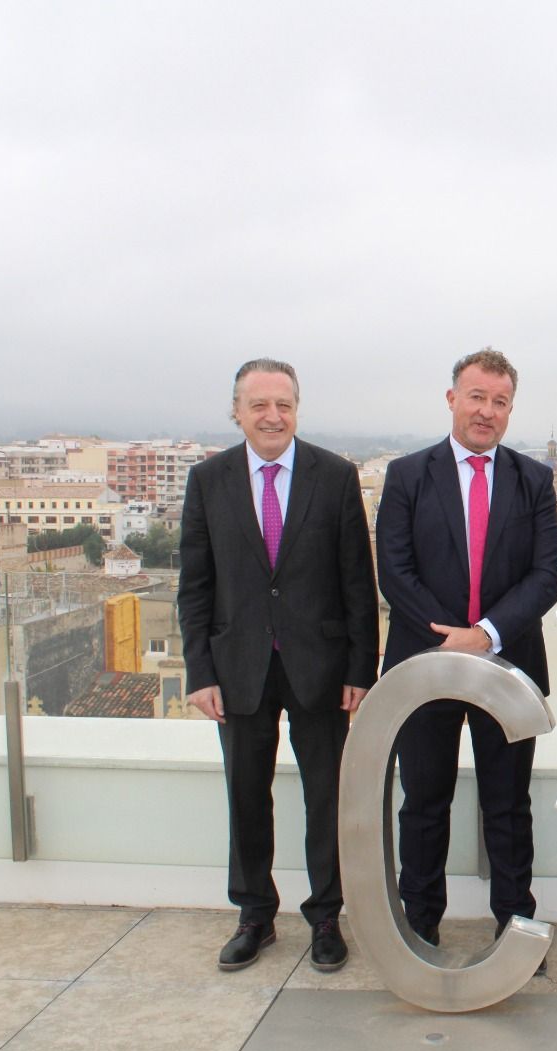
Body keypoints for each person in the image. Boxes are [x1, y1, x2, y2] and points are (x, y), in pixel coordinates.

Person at [178, 358, 379, 973]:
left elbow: (356, 582)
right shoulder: (207, 480)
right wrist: (199, 672)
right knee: (245, 794)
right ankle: (254, 916)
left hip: (319, 666)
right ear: (236, 411)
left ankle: (325, 918)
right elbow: (195, 585)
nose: (273, 416)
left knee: (327, 796)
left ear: (297, 409)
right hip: (237, 667)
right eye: (260, 405)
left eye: (284, 405)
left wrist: (359, 671)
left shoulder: (335, 476)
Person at [377, 348, 557, 960]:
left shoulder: (533, 480)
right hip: (421, 666)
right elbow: (394, 571)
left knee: (508, 805)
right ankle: (420, 925)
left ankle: (515, 925)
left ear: (511, 410)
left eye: (500, 401)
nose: (487, 411)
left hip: (507, 667)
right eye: (477, 396)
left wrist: (483, 635)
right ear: (452, 398)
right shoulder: (407, 475)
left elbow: (545, 578)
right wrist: (449, 638)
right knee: (424, 802)